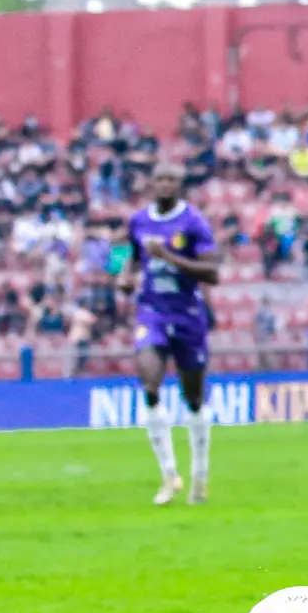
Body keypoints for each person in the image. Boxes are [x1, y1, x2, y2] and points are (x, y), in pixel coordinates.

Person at [123, 162, 220, 506]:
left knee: (193, 399)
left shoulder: (193, 222)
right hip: (152, 310)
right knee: (150, 383)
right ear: (151, 184)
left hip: (189, 315)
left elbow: (213, 272)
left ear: (180, 185)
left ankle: (200, 476)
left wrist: (170, 256)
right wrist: (125, 274)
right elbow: (133, 256)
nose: (165, 185)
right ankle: (168, 476)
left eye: (172, 180)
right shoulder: (138, 220)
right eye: (160, 179)